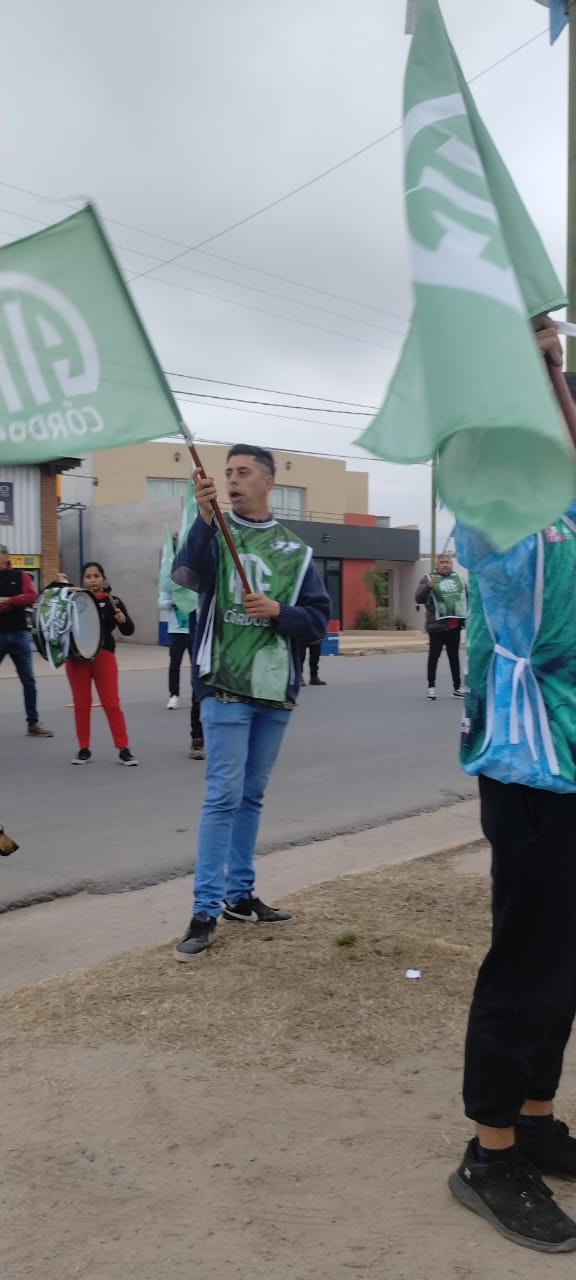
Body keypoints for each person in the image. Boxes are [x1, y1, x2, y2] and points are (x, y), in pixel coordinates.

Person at [448, 314, 576, 1253]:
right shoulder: (500, 504)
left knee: (565, 958)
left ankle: (534, 1116)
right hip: (531, 761)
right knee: (528, 957)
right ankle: (489, 1154)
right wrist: (516, 373)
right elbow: (551, 630)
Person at [171, 443, 330, 960]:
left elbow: (318, 623)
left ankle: (240, 896)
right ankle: (204, 910)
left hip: (274, 692)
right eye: (228, 473)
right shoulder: (215, 534)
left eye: (244, 472)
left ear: (268, 481)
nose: (233, 480)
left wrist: (279, 611)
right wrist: (202, 519)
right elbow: (187, 576)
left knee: (252, 796)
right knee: (223, 795)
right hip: (224, 685)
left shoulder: (295, 551)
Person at [65, 561, 138, 766]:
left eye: (96, 576)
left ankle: (123, 749)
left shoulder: (113, 601)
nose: (92, 580)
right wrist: (59, 585)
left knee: (111, 703)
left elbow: (129, 631)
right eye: (88, 577)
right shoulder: (73, 600)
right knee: (81, 705)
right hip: (77, 658)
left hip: (103, 655)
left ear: (103, 578)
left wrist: (123, 620)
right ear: (83, 580)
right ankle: (84, 748)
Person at [0, 543, 53, 738]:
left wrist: (8, 600)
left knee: (28, 680)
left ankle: (33, 723)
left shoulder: (21, 575)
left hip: (20, 634)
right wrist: (15, 601)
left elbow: (31, 596)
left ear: (6, 556)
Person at [415, 552, 466, 699]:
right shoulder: (429, 578)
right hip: (436, 626)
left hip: (454, 626)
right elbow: (418, 598)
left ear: (451, 564)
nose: (445, 565)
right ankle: (431, 687)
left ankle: (457, 688)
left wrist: (465, 620)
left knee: (454, 657)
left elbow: (466, 598)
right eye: (442, 562)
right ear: (436, 565)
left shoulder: (458, 579)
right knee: (434, 657)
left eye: (447, 562)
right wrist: (428, 587)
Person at [158, 550, 193, 710]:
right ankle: (173, 695)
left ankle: (196, 695)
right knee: (175, 664)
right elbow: (160, 602)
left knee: (196, 665)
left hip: (193, 629)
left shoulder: (195, 580)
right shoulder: (170, 582)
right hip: (176, 630)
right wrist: (170, 603)